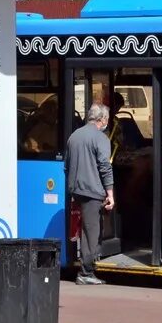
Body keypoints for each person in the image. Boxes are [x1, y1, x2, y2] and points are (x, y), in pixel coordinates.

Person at [65, 103, 115, 285]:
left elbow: (66, 166)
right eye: (107, 120)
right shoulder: (101, 138)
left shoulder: (74, 136)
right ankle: (86, 272)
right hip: (93, 192)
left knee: (85, 230)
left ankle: (86, 269)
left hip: (76, 190)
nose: (107, 123)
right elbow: (105, 167)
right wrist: (110, 193)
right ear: (101, 120)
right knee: (92, 232)